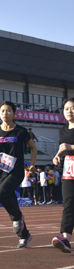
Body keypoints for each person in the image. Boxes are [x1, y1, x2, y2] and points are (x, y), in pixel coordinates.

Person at [0, 101, 37, 248]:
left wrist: (32, 164)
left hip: (17, 170)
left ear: (14, 113)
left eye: (8, 111)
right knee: (11, 201)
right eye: (2, 111)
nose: (5, 113)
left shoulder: (21, 131)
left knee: (0, 194)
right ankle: (24, 236)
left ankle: (18, 218)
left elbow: (33, 148)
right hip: (1, 171)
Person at [52, 98, 74, 253]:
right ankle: (65, 239)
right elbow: (63, 148)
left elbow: (68, 146)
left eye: (72, 108)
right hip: (69, 169)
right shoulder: (63, 130)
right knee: (68, 203)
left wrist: (70, 146)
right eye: (66, 109)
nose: (69, 111)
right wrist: (57, 156)